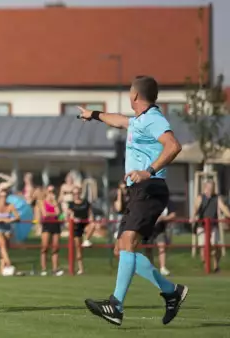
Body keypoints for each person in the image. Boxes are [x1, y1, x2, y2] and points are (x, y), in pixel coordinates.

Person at [79, 76, 186, 326]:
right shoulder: (140, 120)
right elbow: (118, 120)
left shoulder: (154, 119)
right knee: (122, 249)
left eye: (129, 90)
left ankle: (115, 305)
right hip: (138, 190)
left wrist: (149, 169)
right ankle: (172, 292)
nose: (129, 94)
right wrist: (92, 114)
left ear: (135, 95)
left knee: (127, 244)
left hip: (150, 186)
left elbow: (173, 146)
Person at [193, 180, 230, 273]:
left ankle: (216, 266)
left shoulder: (217, 198)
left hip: (213, 225)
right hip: (202, 225)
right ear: (205, 188)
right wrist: (193, 217)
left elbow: (223, 208)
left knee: (215, 245)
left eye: (212, 188)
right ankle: (206, 266)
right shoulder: (200, 197)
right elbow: (196, 208)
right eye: (208, 187)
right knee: (203, 247)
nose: (210, 190)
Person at [0, 190, 20, 276]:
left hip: (7, 228)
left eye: (5, 196)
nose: (3, 198)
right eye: (1, 196)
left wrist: (12, 219)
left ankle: (2, 270)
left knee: (4, 248)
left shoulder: (10, 206)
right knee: (2, 244)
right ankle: (9, 264)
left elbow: (17, 217)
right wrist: (3, 219)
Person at [35, 185, 63, 276]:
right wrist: (54, 214)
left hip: (56, 225)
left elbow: (59, 213)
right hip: (47, 225)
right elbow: (45, 214)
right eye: (50, 191)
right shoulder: (42, 202)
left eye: (53, 191)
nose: (51, 193)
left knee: (55, 247)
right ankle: (44, 268)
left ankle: (55, 269)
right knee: (45, 247)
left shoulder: (56, 202)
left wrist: (54, 203)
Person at [143, 203, 176, 276]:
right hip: (148, 229)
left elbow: (173, 215)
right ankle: (150, 268)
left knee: (162, 246)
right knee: (148, 248)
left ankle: (163, 268)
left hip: (160, 230)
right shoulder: (148, 201)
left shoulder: (167, 202)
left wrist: (163, 218)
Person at [68, 186, 94, 275]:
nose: (76, 195)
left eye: (78, 193)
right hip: (76, 226)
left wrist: (91, 219)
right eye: (74, 193)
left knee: (93, 225)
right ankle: (81, 269)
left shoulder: (85, 202)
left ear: (80, 193)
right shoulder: (71, 204)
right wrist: (74, 218)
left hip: (85, 224)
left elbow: (90, 214)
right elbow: (69, 215)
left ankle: (86, 240)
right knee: (78, 249)